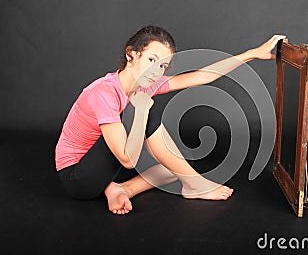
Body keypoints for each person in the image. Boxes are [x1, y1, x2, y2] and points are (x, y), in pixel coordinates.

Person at [55, 25, 285, 215]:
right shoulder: (104, 93)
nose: (157, 71)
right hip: (78, 177)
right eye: (152, 60)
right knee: (148, 112)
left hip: (107, 169)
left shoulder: (146, 83)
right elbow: (126, 160)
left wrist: (251, 54)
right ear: (131, 54)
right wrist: (143, 112)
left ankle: (120, 189)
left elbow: (201, 76)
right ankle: (194, 184)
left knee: (176, 164)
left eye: (163, 65)